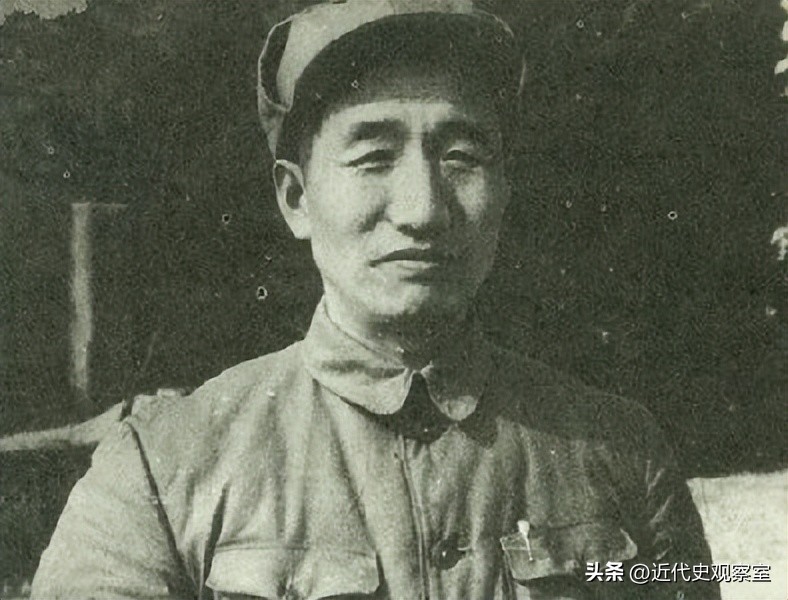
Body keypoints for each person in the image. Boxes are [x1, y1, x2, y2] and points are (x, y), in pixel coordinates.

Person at [31, 1, 719, 598]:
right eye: (372, 157)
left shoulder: (623, 457)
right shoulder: (160, 470)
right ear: (296, 198)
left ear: (504, 190)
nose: (423, 210)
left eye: (462, 156)